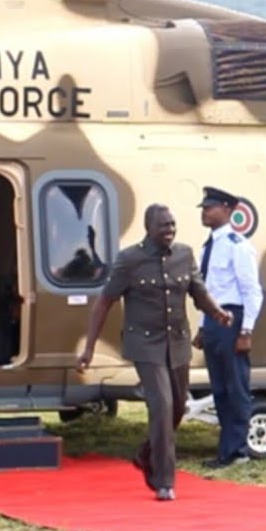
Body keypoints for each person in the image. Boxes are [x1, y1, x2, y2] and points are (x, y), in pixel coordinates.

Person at [78, 203, 232, 501]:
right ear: (149, 228)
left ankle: (145, 454)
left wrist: (218, 313)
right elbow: (104, 303)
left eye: (173, 225)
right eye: (164, 226)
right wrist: (88, 348)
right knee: (161, 407)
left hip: (177, 342)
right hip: (145, 344)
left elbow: (198, 292)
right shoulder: (129, 260)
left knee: (176, 408)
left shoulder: (185, 255)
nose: (170, 230)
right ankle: (164, 480)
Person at [194, 186, 264, 469]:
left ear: (227, 209)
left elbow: (252, 292)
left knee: (235, 386)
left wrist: (246, 331)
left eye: (210, 207)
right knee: (220, 388)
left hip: (233, 320)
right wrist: (202, 325)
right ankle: (227, 448)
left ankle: (238, 450)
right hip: (213, 319)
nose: (205, 212)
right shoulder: (208, 246)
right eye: (204, 208)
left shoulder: (238, 245)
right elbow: (207, 291)